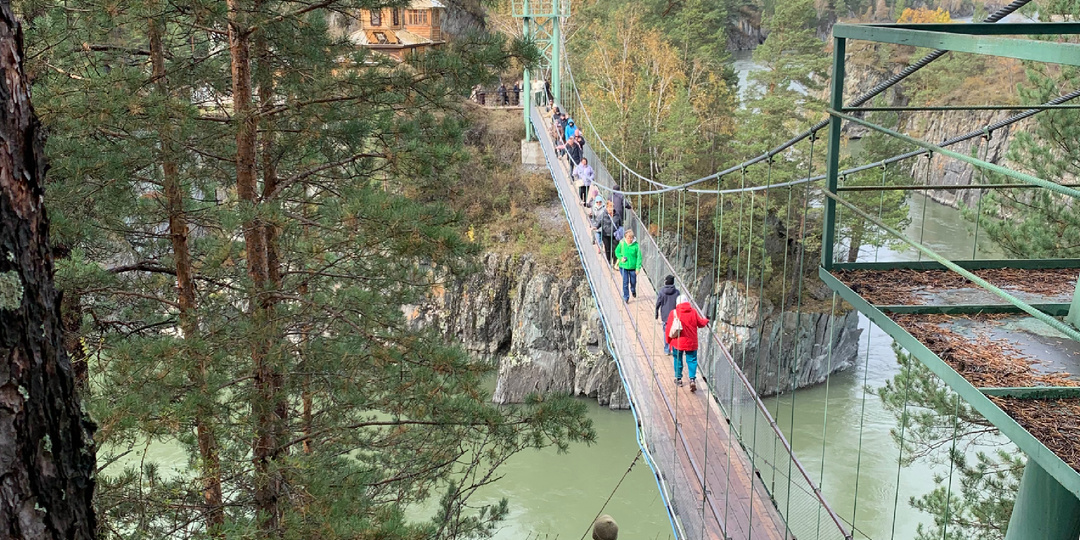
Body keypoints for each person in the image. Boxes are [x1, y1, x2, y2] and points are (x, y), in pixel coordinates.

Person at [664, 294, 709, 392]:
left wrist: (668, 341)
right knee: (692, 360)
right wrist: (706, 320)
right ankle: (692, 379)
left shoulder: (674, 313)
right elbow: (701, 323)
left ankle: (678, 379)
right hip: (691, 342)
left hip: (678, 342)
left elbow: (668, 329)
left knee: (677, 359)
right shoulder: (693, 311)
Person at [655, 275, 679, 354]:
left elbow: (658, 303)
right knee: (674, 332)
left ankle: (667, 349)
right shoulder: (677, 292)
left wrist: (656, 313)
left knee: (666, 332)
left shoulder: (662, 292)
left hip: (665, 316)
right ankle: (673, 348)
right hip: (674, 315)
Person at [615, 229, 641, 303]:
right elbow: (617, 251)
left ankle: (633, 290)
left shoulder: (636, 246)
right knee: (625, 281)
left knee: (633, 281)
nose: (629, 239)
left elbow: (639, 257)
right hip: (623, 266)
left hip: (633, 268)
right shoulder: (622, 244)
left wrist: (637, 268)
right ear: (625, 237)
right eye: (628, 238)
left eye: (631, 238)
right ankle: (626, 297)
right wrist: (620, 258)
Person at [600, 201, 618, 265]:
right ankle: (609, 262)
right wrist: (595, 227)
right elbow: (600, 222)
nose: (611, 210)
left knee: (615, 249)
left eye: (612, 208)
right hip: (606, 234)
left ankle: (615, 263)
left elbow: (620, 224)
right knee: (608, 249)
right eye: (610, 208)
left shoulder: (616, 215)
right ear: (607, 208)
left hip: (614, 235)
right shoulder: (603, 215)